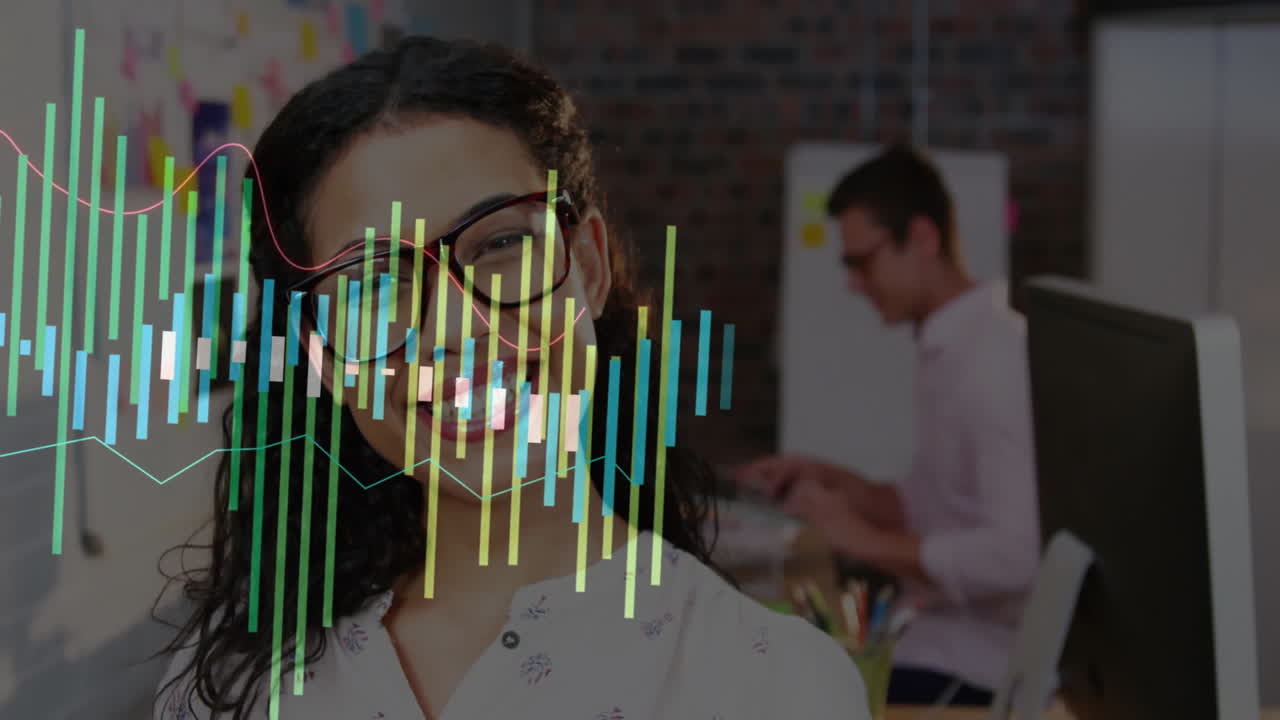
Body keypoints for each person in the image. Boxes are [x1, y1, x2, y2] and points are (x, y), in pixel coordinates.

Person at [150, 37, 870, 720]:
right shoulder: (231, 689)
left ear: (587, 268)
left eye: (500, 244)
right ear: (324, 353)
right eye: (375, 283)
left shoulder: (777, 685)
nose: (458, 327)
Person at [736, 144, 1038, 706]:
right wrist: (831, 479)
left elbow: (1016, 555)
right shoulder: (949, 349)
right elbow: (928, 507)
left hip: (980, 665)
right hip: (933, 632)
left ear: (922, 239)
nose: (854, 284)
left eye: (861, 262)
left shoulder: (996, 361)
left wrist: (862, 540)